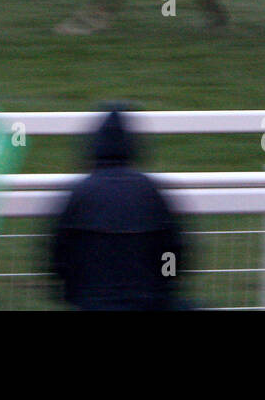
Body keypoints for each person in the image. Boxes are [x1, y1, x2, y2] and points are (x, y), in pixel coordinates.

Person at [50, 106, 187, 310]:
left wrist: (75, 293)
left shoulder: (79, 193)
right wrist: (164, 288)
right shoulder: (151, 192)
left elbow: (58, 259)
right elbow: (173, 253)